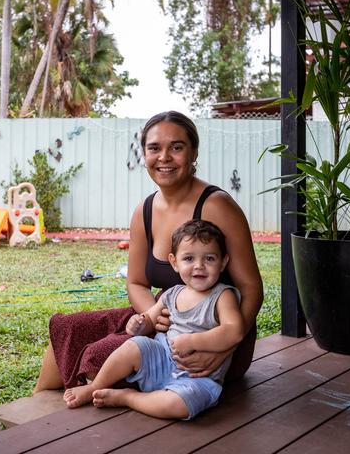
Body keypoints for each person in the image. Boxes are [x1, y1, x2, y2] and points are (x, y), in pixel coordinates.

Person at [34, 110, 263, 393]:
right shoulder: (144, 211)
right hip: (163, 319)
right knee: (70, 329)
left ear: (193, 153)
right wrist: (153, 316)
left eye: (176, 147)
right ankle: (33, 415)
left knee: (98, 357)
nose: (164, 157)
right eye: (154, 148)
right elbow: (136, 282)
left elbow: (251, 287)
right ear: (144, 154)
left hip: (208, 339)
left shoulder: (217, 206)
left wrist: (226, 346)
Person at [63, 219, 244, 420]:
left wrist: (193, 341)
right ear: (174, 262)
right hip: (161, 358)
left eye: (209, 258)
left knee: (177, 405)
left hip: (197, 379)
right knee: (133, 346)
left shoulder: (222, 295)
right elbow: (149, 319)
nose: (199, 266)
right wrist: (139, 324)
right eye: (189, 258)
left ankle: (128, 398)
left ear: (223, 262)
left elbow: (233, 330)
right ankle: (95, 387)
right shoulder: (173, 294)